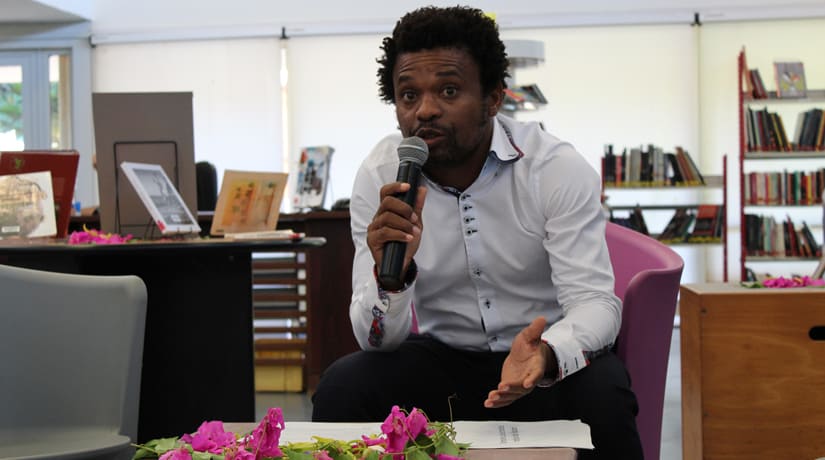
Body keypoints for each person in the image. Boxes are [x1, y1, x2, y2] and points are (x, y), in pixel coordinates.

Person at [311, 5, 642, 459]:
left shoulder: (553, 168)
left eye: (448, 90)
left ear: (493, 99)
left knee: (605, 391)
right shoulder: (381, 176)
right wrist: (393, 278)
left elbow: (595, 304)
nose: (425, 110)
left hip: (542, 361)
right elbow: (376, 341)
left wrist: (548, 354)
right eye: (408, 95)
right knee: (344, 387)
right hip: (443, 363)